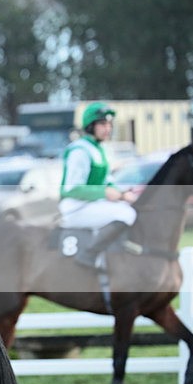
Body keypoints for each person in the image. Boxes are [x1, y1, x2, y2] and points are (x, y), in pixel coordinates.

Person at [59, 102, 138, 267]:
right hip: (75, 206)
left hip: (91, 204)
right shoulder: (80, 150)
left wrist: (123, 194)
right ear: (90, 126)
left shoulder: (101, 150)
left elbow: (108, 181)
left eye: (109, 124)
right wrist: (105, 193)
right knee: (126, 215)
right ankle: (89, 255)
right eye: (103, 124)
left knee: (129, 209)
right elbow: (71, 188)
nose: (108, 128)